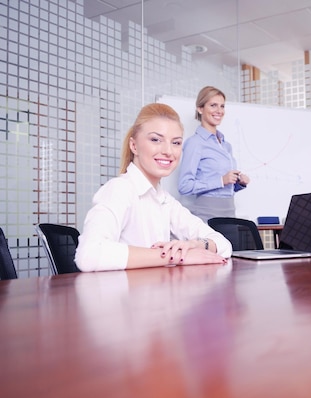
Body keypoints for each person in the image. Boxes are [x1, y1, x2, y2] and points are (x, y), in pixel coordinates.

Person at [75, 103, 232, 272]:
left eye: (176, 143)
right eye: (156, 140)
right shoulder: (120, 189)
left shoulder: (164, 199)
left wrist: (197, 244)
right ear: (134, 146)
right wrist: (177, 256)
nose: (168, 151)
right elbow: (89, 255)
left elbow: (224, 245)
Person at [177, 86, 250, 221]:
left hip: (230, 212)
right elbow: (184, 186)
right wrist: (221, 180)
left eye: (222, 106)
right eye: (213, 105)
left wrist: (239, 183)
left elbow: (224, 188)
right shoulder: (195, 143)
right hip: (206, 215)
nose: (219, 111)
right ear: (200, 109)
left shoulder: (226, 146)